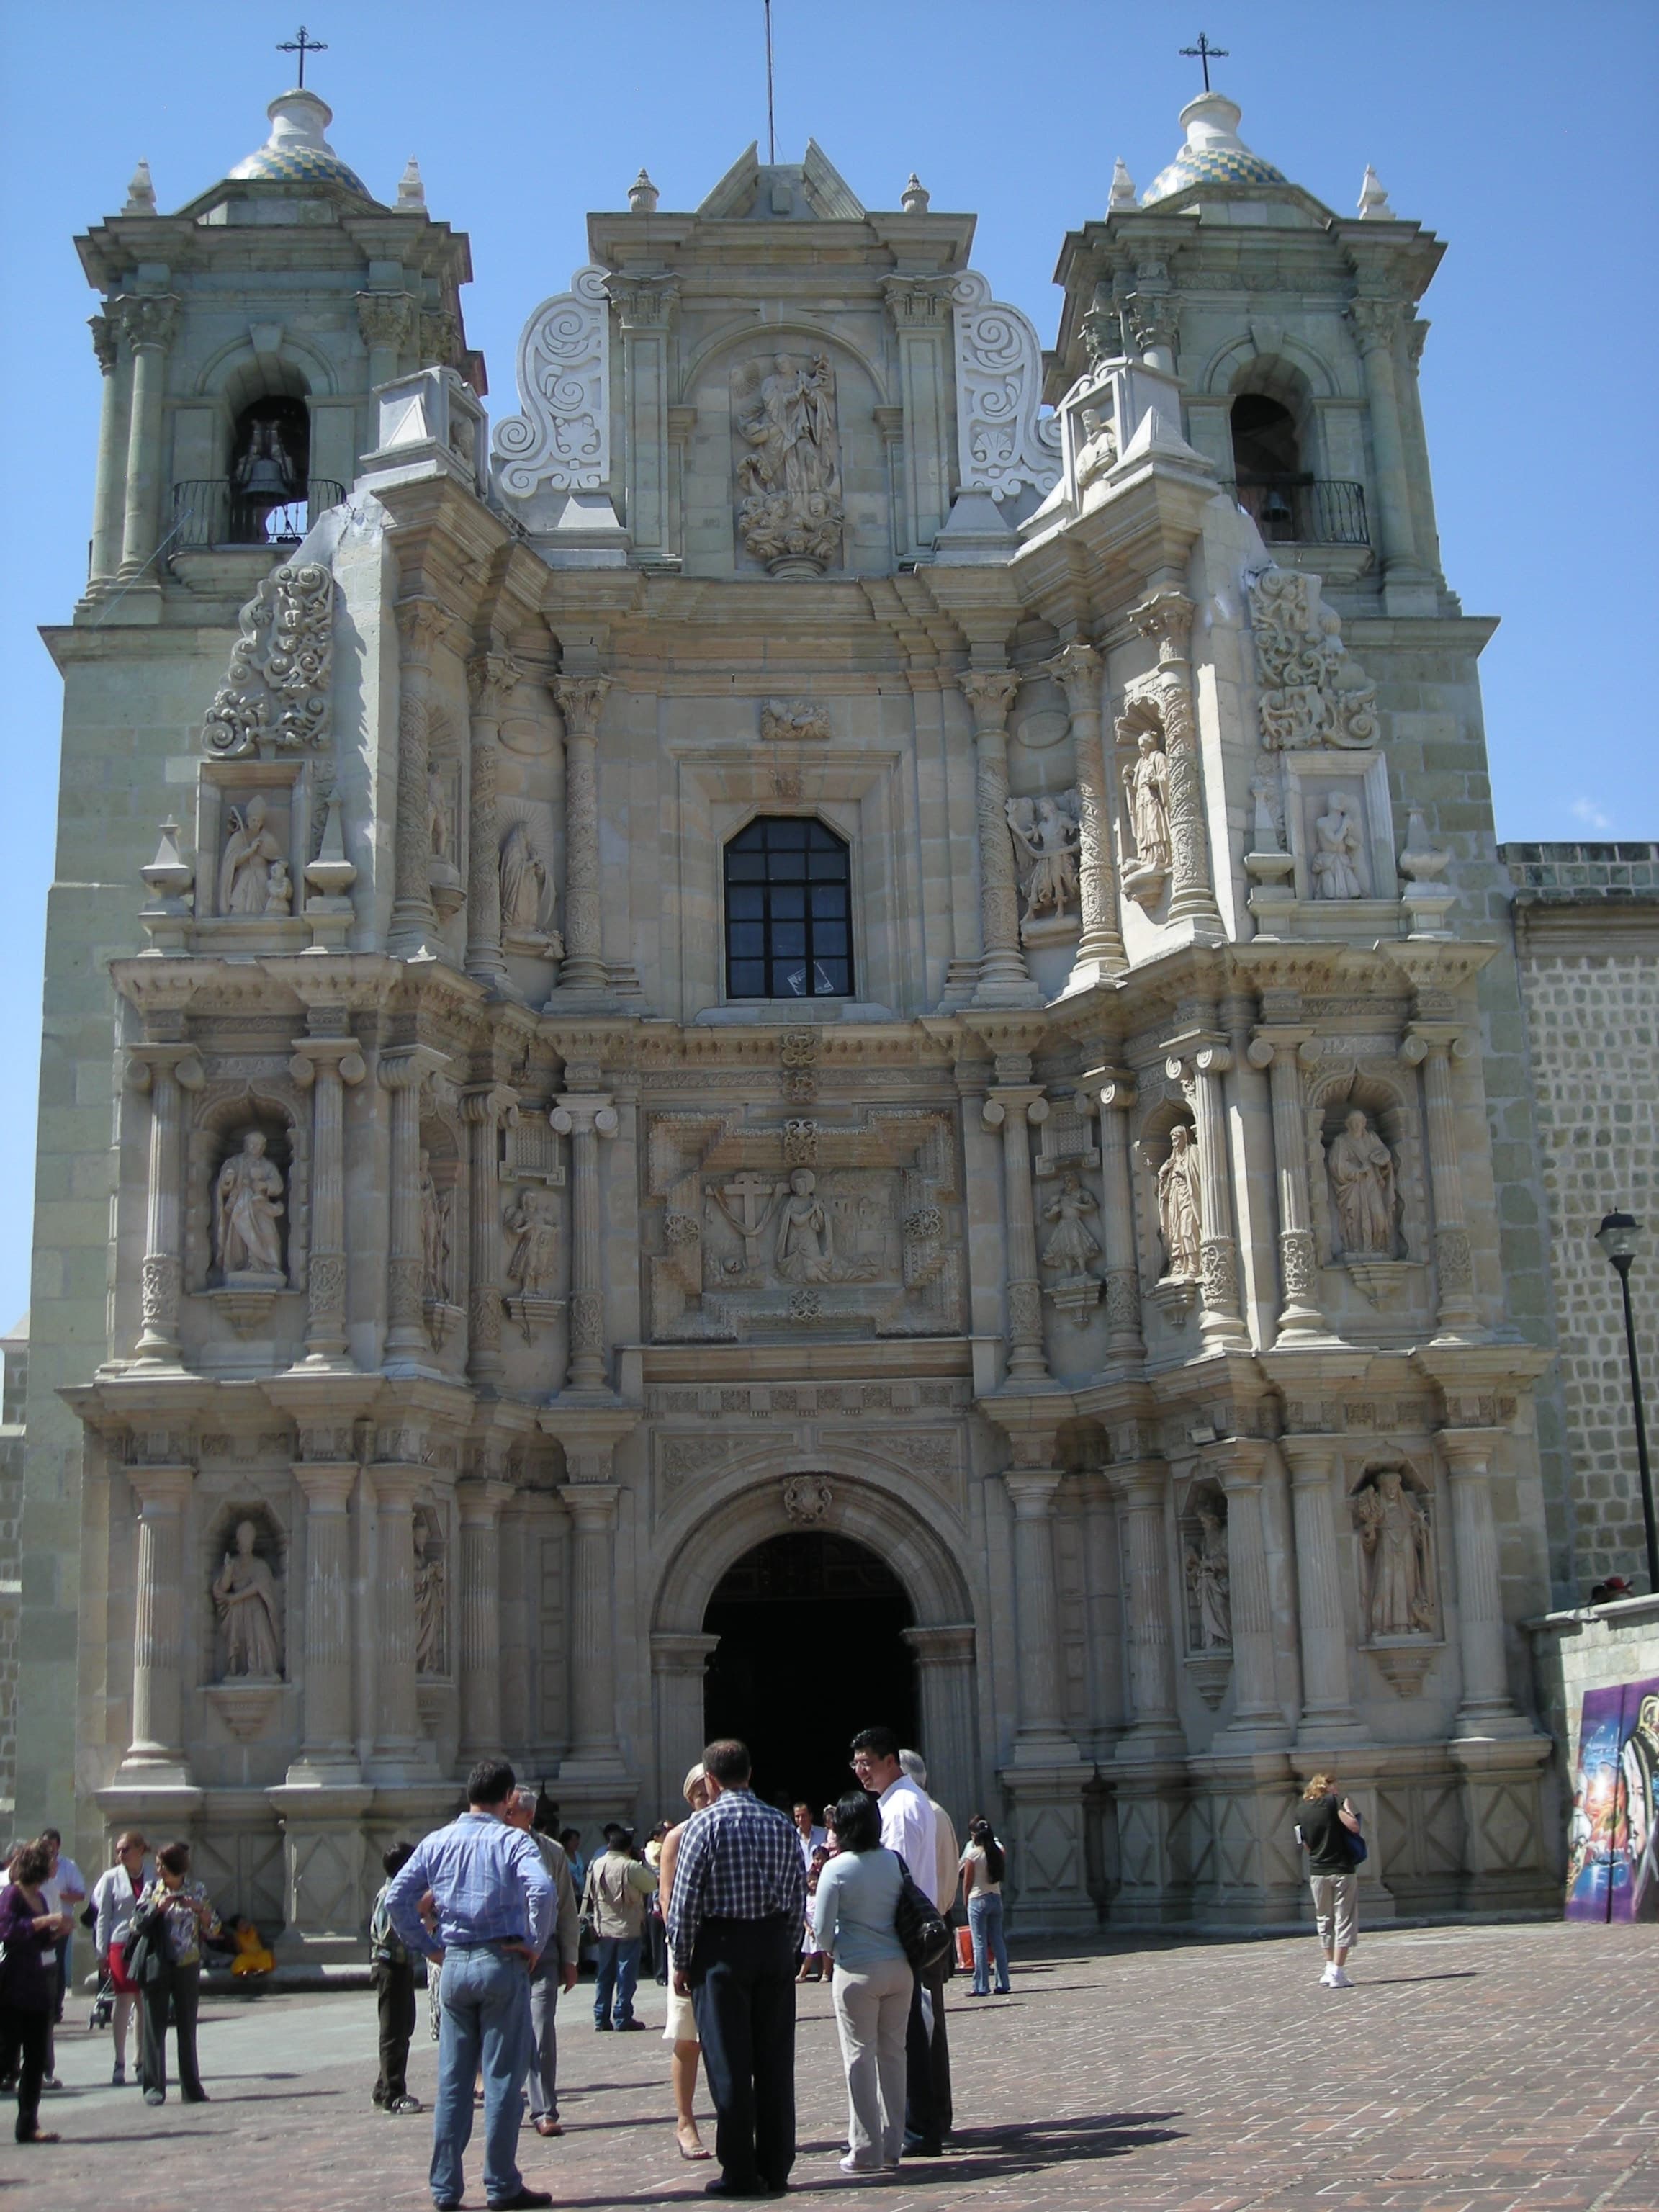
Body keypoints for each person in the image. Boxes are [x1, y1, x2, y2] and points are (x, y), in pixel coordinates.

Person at [385, 1758, 557, 2212]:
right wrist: (534, 1943)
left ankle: (445, 2188)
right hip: (501, 1959)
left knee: (454, 2081)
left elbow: (397, 1898)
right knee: (502, 2078)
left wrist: (426, 1945)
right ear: (507, 1801)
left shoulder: (438, 1840)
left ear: (468, 1795)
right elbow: (542, 1889)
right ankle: (501, 2184)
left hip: (455, 1963)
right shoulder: (512, 1840)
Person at [667, 1737, 807, 2201]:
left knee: (728, 2064)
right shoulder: (781, 1824)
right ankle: (776, 2164)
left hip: (721, 1949)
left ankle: (740, 2170)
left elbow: (685, 1902)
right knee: (774, 2062)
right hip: (771, 1945)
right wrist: (786, 1952)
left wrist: (682, 1960)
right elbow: (795, 1898)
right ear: (750, 1773)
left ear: (710, 1779)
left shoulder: (702, 1826)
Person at [851, 1727, 948, 2159]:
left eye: (867, 1763)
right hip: (902, 1938)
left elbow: (898, 1877)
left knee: (905, 2037)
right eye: (856, 1764)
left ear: (891, 1760)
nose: (861, 1772)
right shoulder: (898, 1803)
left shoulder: (903, 1808)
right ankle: (917, 2124)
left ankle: (919, 2128)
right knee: (906, 2034)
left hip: (901, 1937)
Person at [812, 1789, 911, 2177]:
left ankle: (865, 2149)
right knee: (894, 2056)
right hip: (899, 1967)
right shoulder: (893, 1861)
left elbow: (821, 1932)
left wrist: (839, 1947)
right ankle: (893, 2144)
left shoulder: (836, 1869)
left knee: (859, 2058)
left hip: (856, 1970)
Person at [502, 1788, 580, 2139]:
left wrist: (571, 1958)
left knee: (540, 2028)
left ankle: (544, 2109)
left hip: (543, 1954)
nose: (504, 1816)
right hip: (503, 1953)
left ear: (528, 1816)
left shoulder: (551, 1852)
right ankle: (502, 2104)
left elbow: (566, 1907)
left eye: (511, 1812)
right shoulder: (490, 1847)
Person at [136, 1840, 221, 2106]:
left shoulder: (197, 1890)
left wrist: (200, 1911)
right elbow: (136, 1922)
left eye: (162, 1865)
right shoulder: (151, 1890)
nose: (158, 1869)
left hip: (187, 1962)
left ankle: (191, 2087)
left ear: (176, 1868)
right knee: (154, 2026)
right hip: (158, 1962)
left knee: (187, 2027)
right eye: (158, 1865)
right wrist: (157, 1908)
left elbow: (214, 1928)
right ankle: (154, 2088)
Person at [659, 1761, 715, 2163]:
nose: (707, 1801)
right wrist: (683, 1946)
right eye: (700, 1795)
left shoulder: (727, 1829)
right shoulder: (677, 1838)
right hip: (688, 1945)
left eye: (711, 1793)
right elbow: (666, 1898)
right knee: (688, 2037)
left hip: (725, 1943)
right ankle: (685, 2121)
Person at [0, 1841, 72, 2144]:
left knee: (35, 2056)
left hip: (34, 1983)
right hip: (11, 1984)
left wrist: (58, 1932)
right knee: (5, 2056)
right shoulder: (12, 1894)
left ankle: (28, 2123)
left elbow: (41, 1942)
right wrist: (48, 1920)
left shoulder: (41, 1898)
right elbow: (8, 1931)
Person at [582, 1825, 657, 2032]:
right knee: (626, 1974)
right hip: (628, 1927)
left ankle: (601, 2017)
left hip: (604, 1927)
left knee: (604, 1974)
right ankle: (623, 2016)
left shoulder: (596, 1864)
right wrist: (642, 1861)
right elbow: (651, 1884)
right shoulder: (630, 1866)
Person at [92, 1831, 153, 2085]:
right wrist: (101, 1952)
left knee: (143, 2000)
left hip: (146, 1942)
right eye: (118, 1850)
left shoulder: (153, 1874)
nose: (121, 1854)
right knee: (123, 1997)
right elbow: (103, 1916)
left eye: (126, 1849)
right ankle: (119, 2059)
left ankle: (141, 2059)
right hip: (120, 1943)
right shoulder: (110, 1878)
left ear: (140, 1849)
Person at [369, 1842, 423, 2115]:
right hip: (390, 1968)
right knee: (393, 2031)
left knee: (404, 2027)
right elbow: (390, 1934)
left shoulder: (402, 1894)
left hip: (401, 1966)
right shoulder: (391, 1894)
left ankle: (383, 2087)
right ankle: (393, 2093)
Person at [1296, 1773, 1363, 1987]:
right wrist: (1348, 1810)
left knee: (1324, 1919)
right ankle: (1338, 1971)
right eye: (1336, 1786)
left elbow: (1305, 1845)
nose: (1338, 1790)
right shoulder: (1333, 1803)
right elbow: (1353, 1826)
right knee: (1344, 1920)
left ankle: (1328, 1967)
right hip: (1341, 1868)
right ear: (1328, 1787)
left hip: (1317, 1871)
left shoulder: (1301, 1809)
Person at [38, 1830, 86, 2034]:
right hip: (40, 1923)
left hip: (60, 1923)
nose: (48, 1848)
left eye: (51, 1844)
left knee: (55, 1965)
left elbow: (80, 1894)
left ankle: (56, 2008)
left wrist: (59, 1895)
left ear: (58, 1845)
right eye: (44, 1844)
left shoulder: (68, 1866)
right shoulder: (36, 1865)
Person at [958, 1817, 1010, 1997]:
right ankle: (1003, 1981)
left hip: (977, 1898)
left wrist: (965, 1900)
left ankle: (981, 1985)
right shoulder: (997, 1852)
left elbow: (968, 1882)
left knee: (979, 1943)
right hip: (995, 1897)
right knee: (998, 1941)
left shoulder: (973, 1855)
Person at [645, 1821, 672, 1985]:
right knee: (658, 1938)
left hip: (661, 1892)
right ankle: (661, 1972)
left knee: (659, 1938)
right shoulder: (655, 1848)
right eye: (664, 1835)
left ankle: (662, 1971)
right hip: (657, 1895)